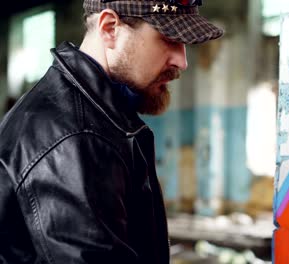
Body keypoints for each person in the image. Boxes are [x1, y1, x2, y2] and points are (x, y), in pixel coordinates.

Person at [0, 0, 223, 263]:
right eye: (169, 37)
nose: (182, 61)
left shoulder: (91, 115)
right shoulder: (77, 138)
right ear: (109, 28)